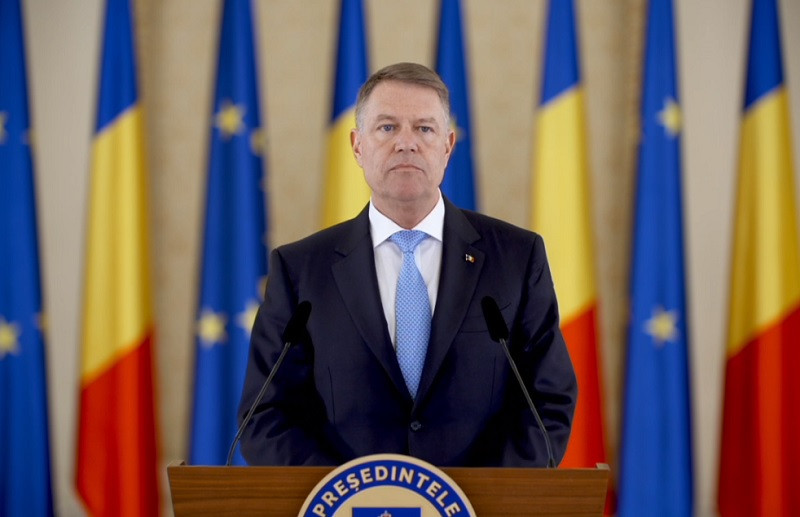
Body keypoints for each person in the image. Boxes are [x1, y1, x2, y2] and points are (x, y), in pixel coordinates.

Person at [238, 62, 576, 467]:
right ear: (357, 145)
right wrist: (346, 494)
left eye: (424, 128)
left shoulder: (517, 258)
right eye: (387, 127)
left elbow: (547, 402)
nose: (406, 143)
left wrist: (476, 496)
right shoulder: (300, 270)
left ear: (448, 145)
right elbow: (265, 416)